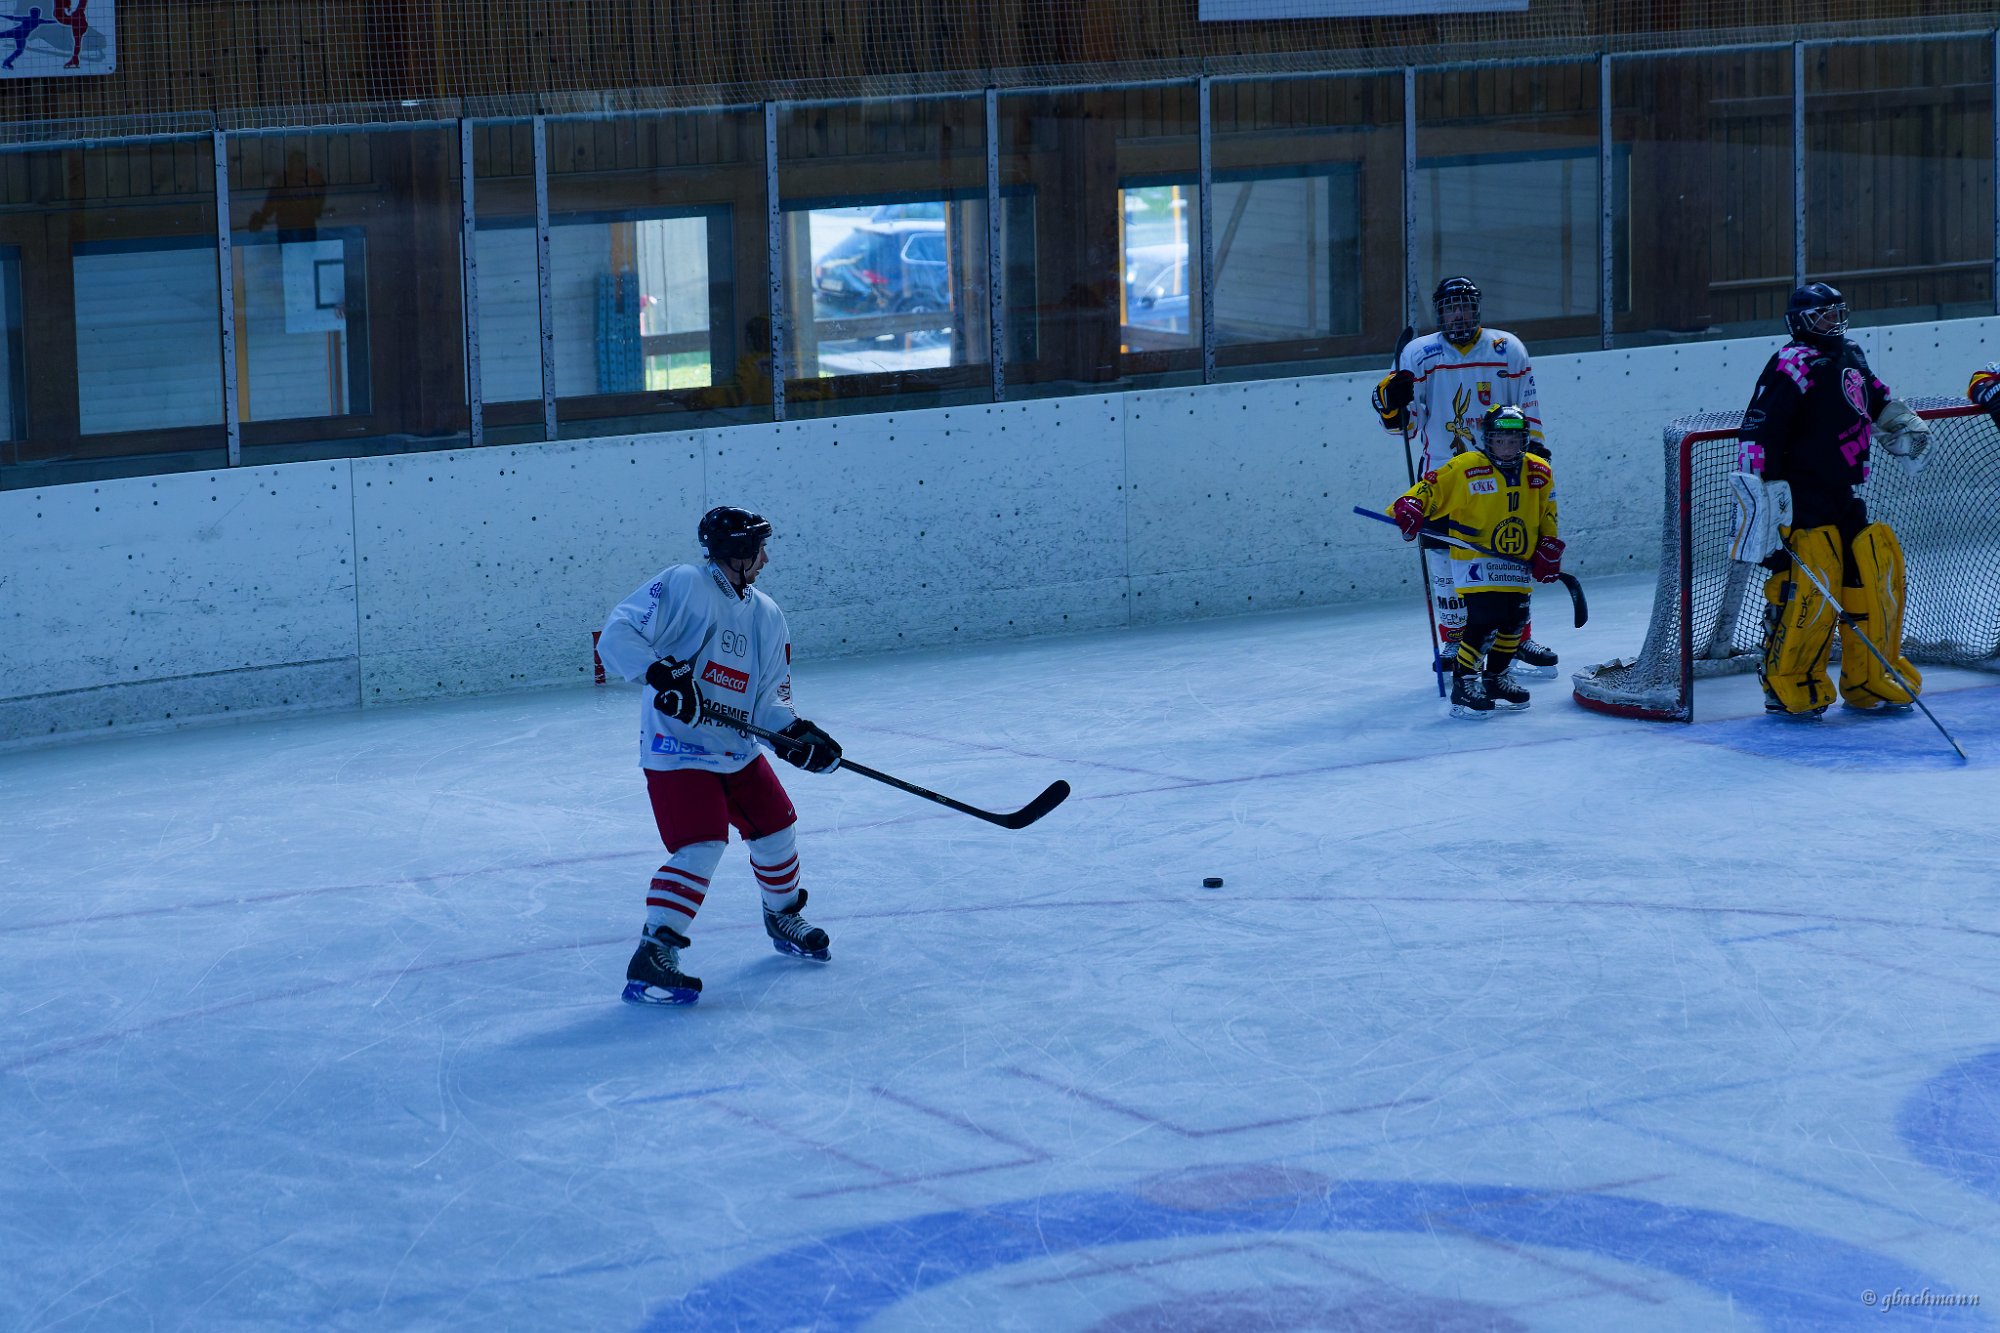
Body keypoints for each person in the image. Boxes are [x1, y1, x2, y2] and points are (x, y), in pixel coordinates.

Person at [596, 505, 844, 1005]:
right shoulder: (686, 583)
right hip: (677, 748)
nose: (765, 559)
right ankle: (654, 951)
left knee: (777, 829)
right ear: (739, 550)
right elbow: (618, 633)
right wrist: (661, 673)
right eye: (759, 548)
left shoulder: (768, 615)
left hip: (736, 749)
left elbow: (769, 700)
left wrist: (795, 734)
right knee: (702, 845)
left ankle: (782, 916)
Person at [1733, 282, 1924, 717]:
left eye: (1837, 313)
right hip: (1800, 496)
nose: (1833, 322)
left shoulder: (1851, 353)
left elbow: (1874, 396)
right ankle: (1788, 680)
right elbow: (1758, 430)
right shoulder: (1791, 363)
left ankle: (1870, 676)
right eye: (1823, 315)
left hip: (1844, 491)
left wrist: (1897, 421)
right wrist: (1761, 504)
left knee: (1872, 574)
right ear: (1799, 321)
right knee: (1809, 587)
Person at [1372, 276, 1559, 679]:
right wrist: (1391, 406)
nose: (1458, 314)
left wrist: (1536, 456)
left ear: (1477, 309)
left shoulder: (1507, 348)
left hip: (1506, 471)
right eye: (1450, 307)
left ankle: (1517, 636)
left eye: (1465, 306)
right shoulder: (1418, 354)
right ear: (1440, 313)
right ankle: (1455, 640)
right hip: (1446, 477)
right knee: (1444, 562)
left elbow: (1528, 407)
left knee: (1512, 552)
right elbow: (1405, 427)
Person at [1389, 405, 1564, 717]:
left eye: (1513, 440)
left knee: (1514, 619)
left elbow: (1547, 513)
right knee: (1485, 618)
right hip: (1476, 557)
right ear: (1488, 439)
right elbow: (1429, 488)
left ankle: (1496, 677)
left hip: (1516, 559)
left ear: (1524, 440)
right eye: (1500, 440)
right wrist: (1411, 504)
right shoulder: (1466, 466)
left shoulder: (1539, 470)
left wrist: (1548, 546)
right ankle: (1465, 683)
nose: (1507, 447)